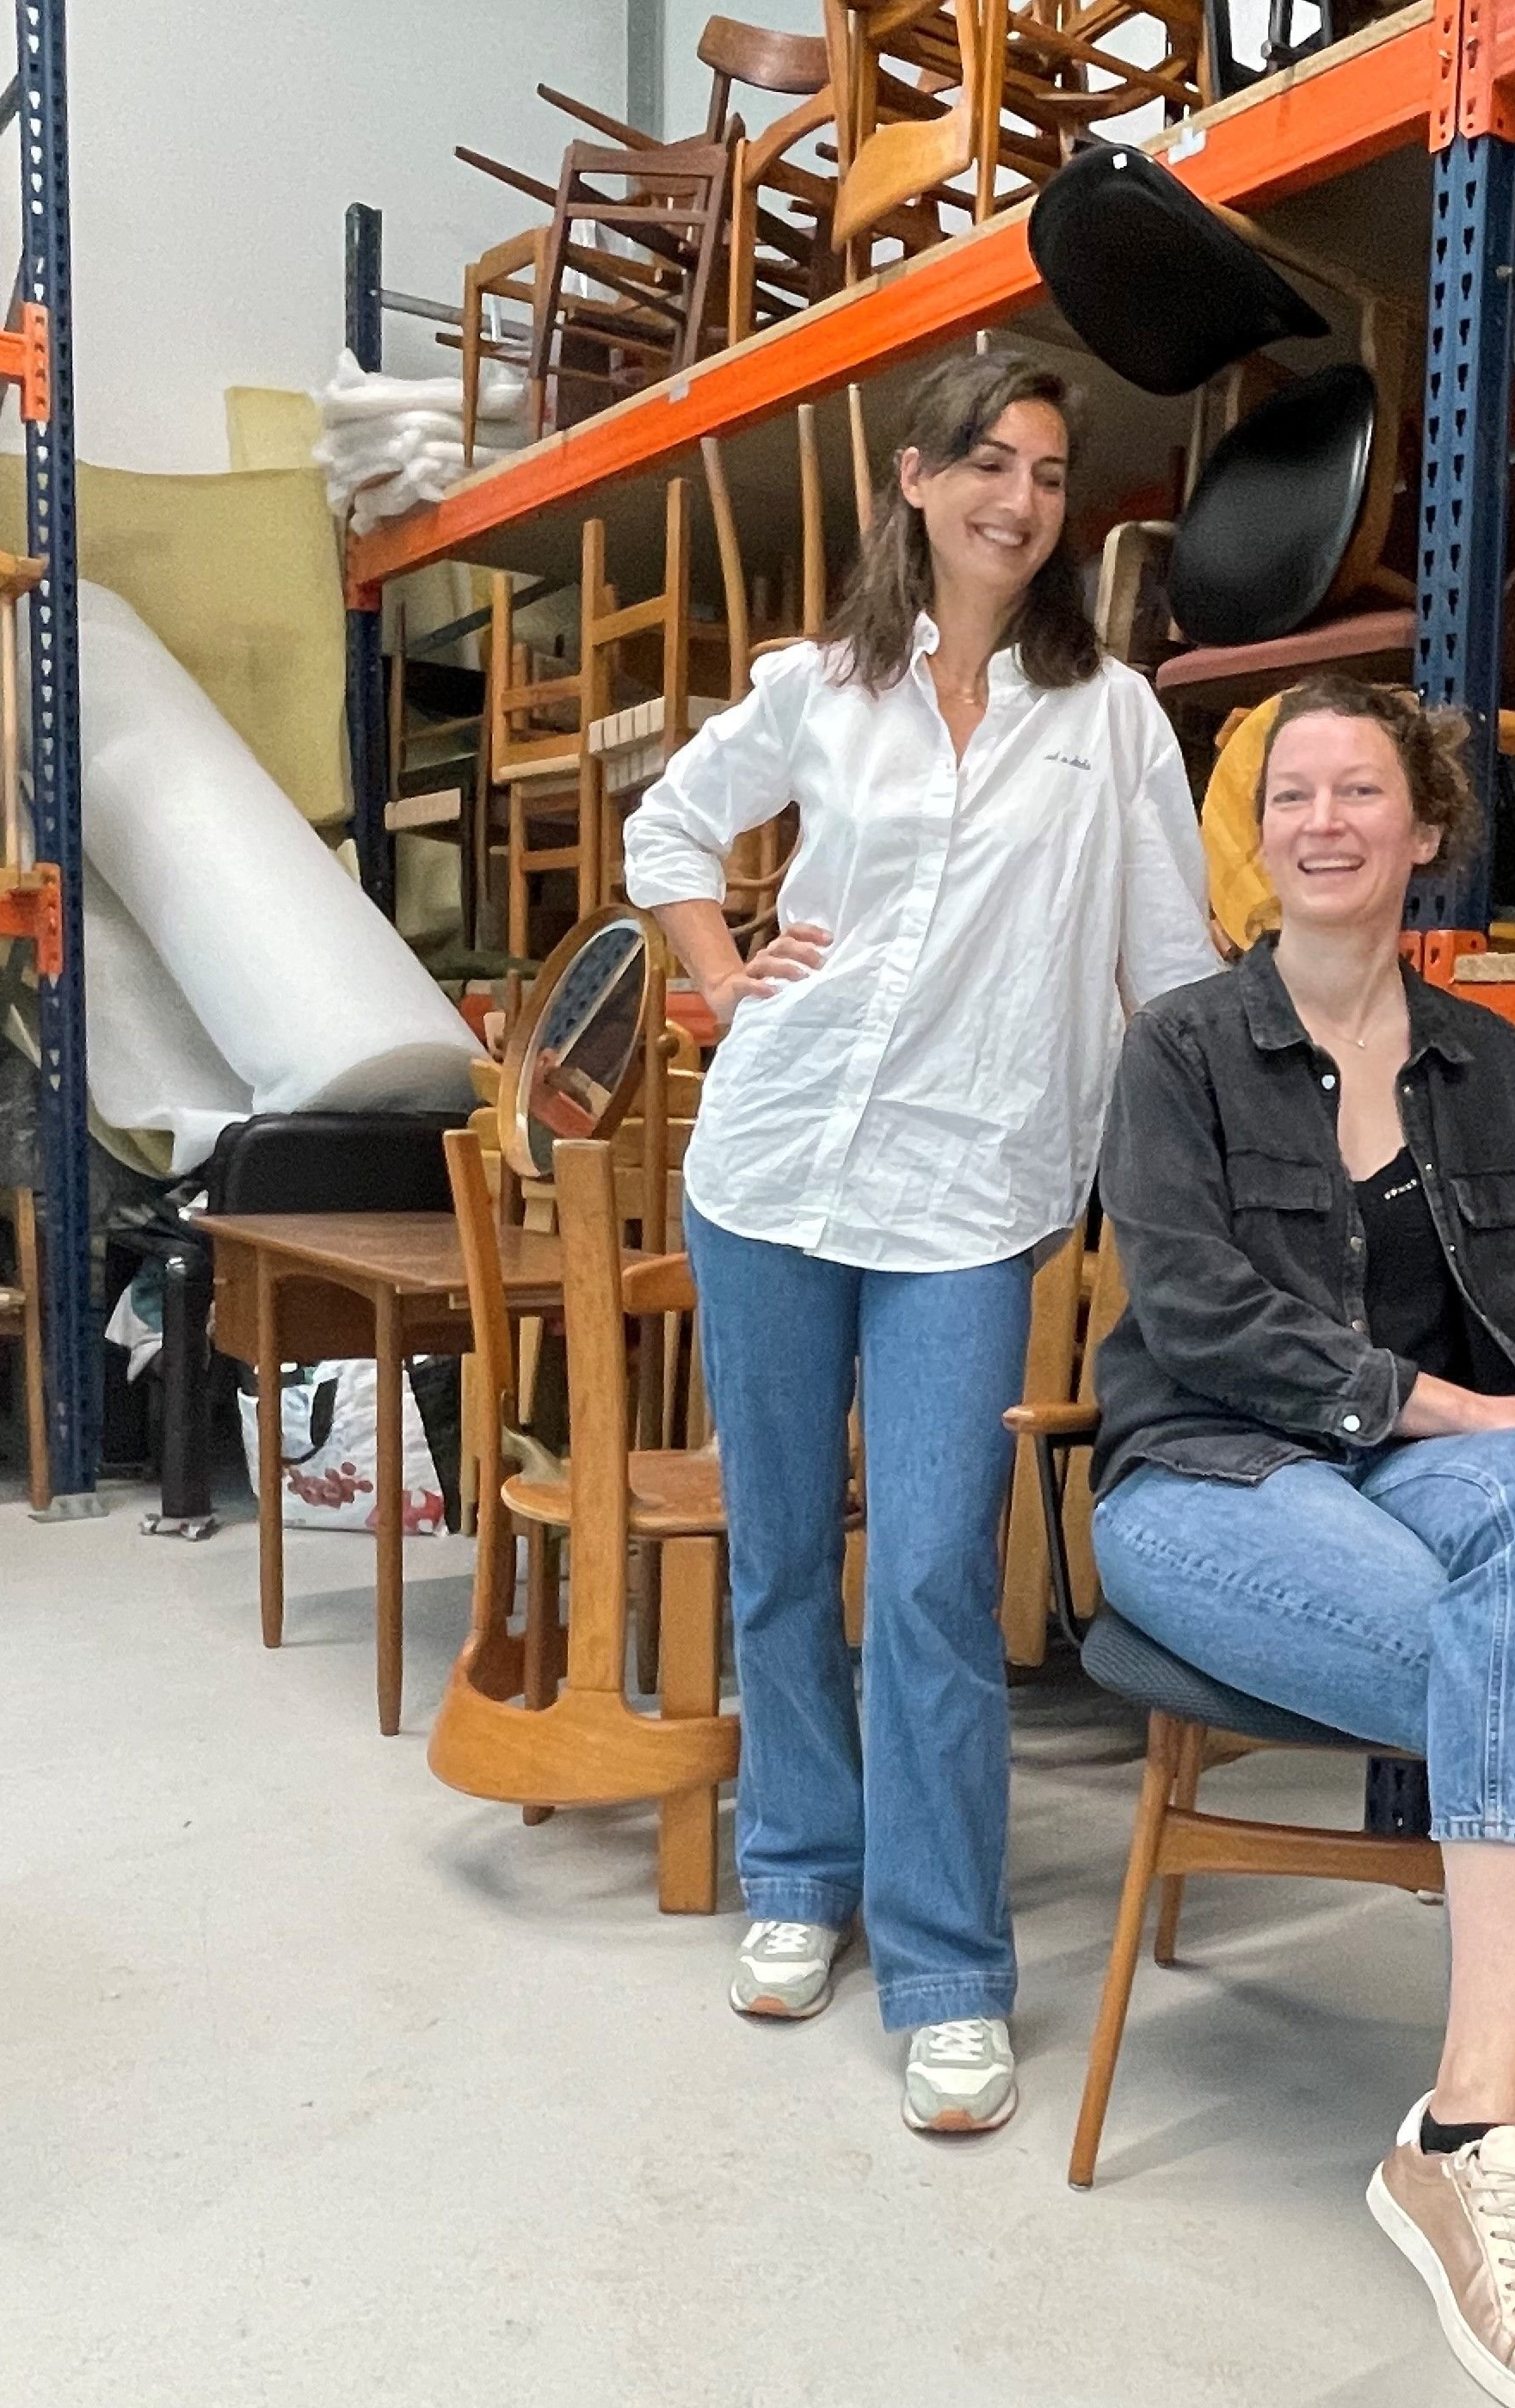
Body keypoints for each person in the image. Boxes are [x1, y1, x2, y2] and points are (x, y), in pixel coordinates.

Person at [1086, 674, 1515, 2408]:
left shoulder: (1495, 1065)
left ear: (1422, 830)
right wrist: (1465, 1408)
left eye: (1357, 791)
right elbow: (1201, 1314)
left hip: (1426, 1477)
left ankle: (1477, 2147)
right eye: (1289, 791)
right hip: (1211, 1476)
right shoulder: (1182, 1053)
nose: (1319, 820)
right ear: (1262, 832)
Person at [625, 350, 1218, 2136]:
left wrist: (1193, 1175)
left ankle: (949, 1966)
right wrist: (722, 978)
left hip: (971, 1189)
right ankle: (799, 1877)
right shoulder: (824, 689)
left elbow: (1169, 965)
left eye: (1046, 473)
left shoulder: (1112, 717)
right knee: (787, 1553)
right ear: (913, 480)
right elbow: (668, 827)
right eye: (987, 464)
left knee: (943, 1576)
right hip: (778, 1161)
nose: (1018, 500)